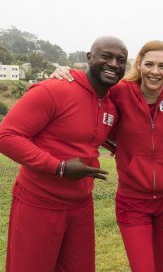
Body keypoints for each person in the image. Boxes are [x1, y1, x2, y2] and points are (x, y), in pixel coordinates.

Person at [50, 40, 163, 272]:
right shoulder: (120, 92)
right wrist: (64, 72)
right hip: (133, 201)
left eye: (162, 66)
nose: (155, 71)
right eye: (149, 64)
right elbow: (90, 96)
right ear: (139, 65)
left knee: (160, 268)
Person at [0, 36, 128, 272]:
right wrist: (59, 167)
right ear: (89, 58)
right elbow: (6, 136)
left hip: (81, 205)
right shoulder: (54, 89)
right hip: (39, 202)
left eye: (121, 60)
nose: (113, 64)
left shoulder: (112, 103)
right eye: (106, 56)